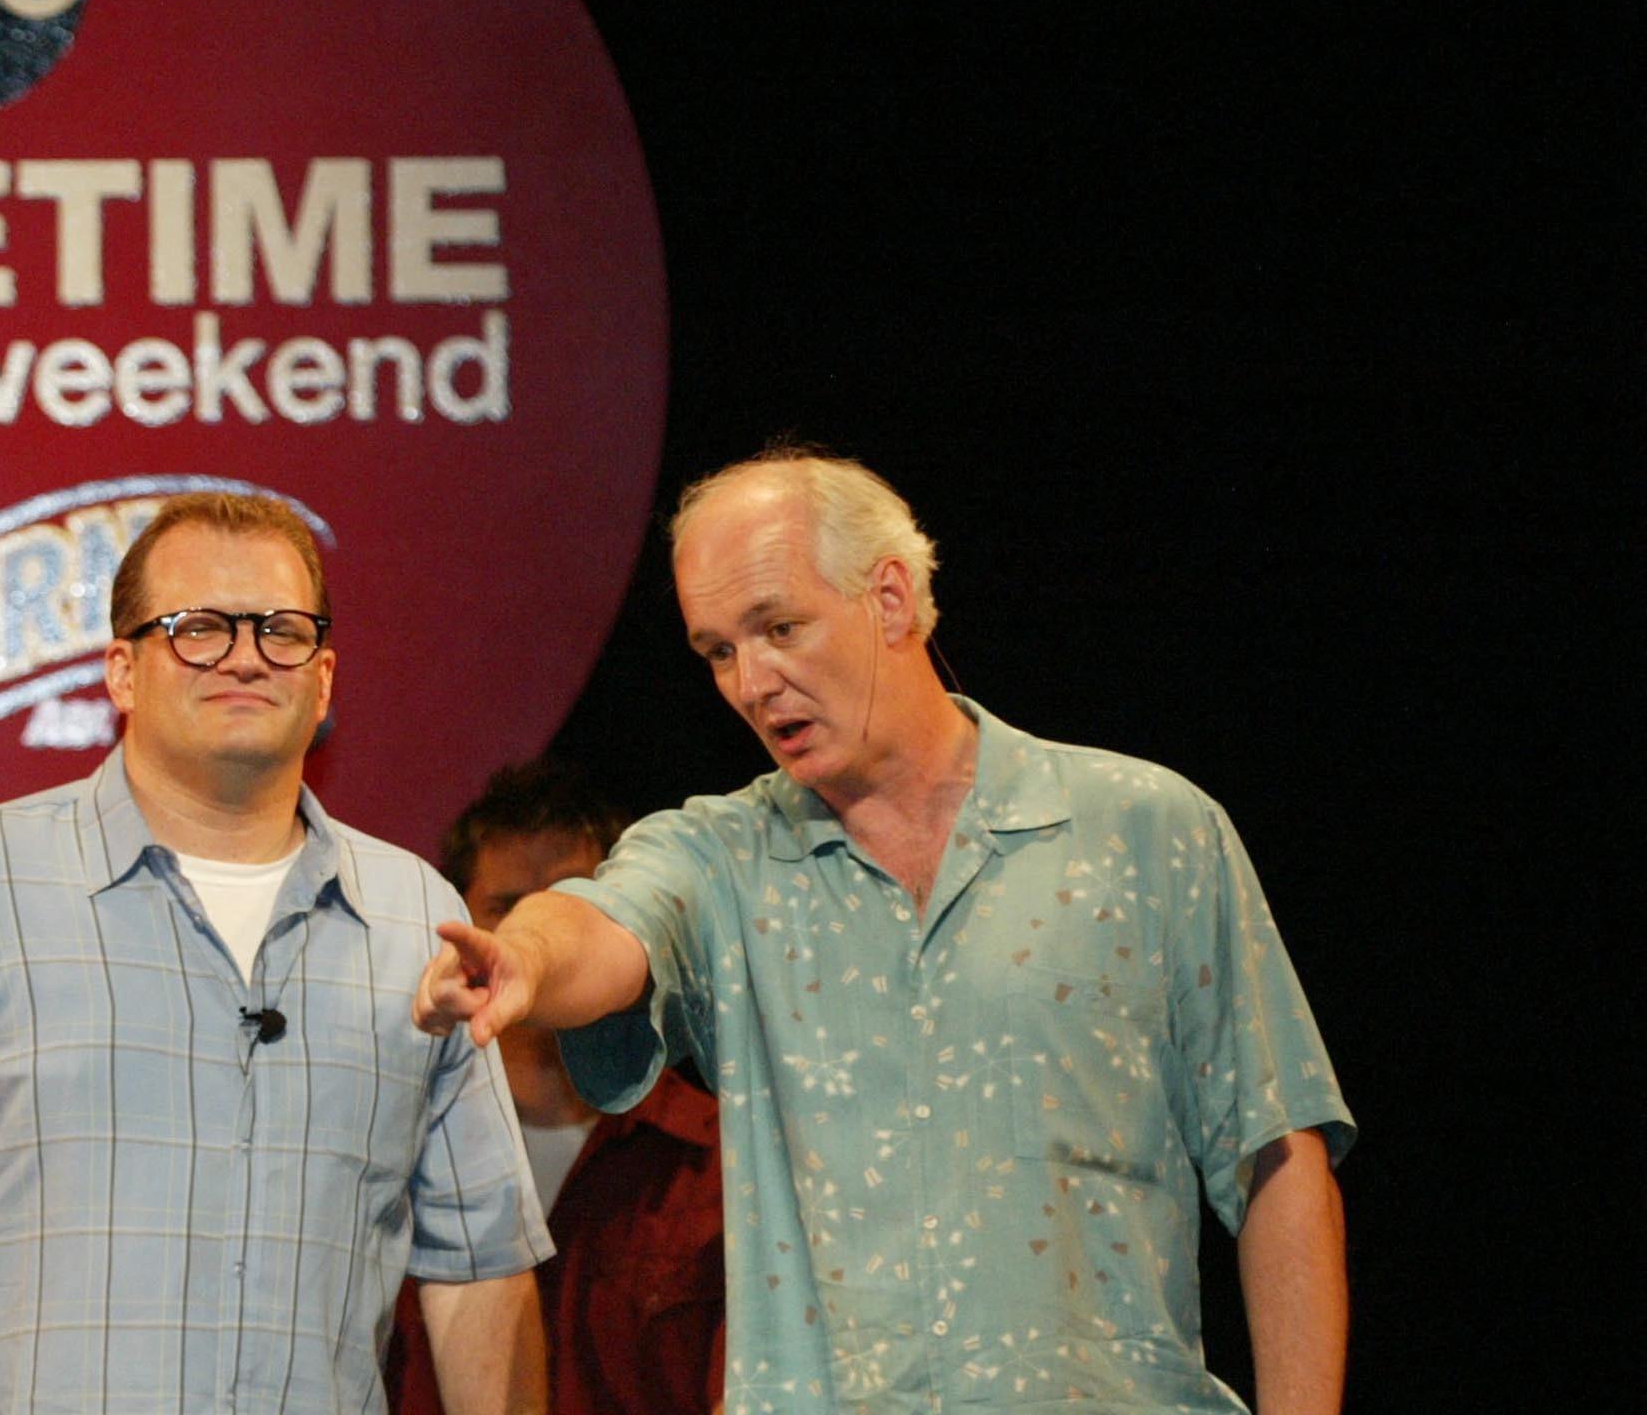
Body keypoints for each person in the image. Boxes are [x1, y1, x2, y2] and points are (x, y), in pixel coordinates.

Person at [417, 449, 1354, 1414]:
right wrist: (525, 956)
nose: (752, 682)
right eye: (719, 651)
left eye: (780, 627)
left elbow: (1277, 1155)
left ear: (892, 599)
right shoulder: (724, 859)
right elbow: (603, 922)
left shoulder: (1144, 831)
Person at [0, 490, 551, 1415]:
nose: (245, 656)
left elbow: (481, 1265)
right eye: (198, 629)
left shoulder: (416, 916)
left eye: (281, 631)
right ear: (122, 672)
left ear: (323, 680)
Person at [387, 761, 727, 1415]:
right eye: (507, 909)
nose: (537, 938)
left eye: (575, 904)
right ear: (458, 926)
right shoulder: (402, 1146)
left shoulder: (713, 1155)